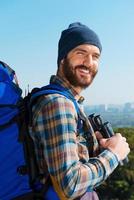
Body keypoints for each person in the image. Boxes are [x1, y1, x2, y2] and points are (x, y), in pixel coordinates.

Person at [31, 22, 130, 200]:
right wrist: (113, 154)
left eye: (95, 56)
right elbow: (70, 185)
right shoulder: (59, 104)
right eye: (80, 53)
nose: (89, 62)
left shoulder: (68, 101)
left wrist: (96, 153)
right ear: (63, 59)